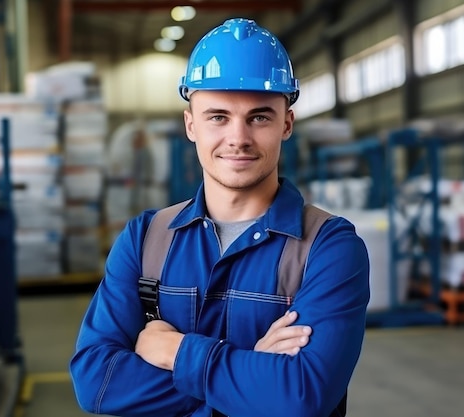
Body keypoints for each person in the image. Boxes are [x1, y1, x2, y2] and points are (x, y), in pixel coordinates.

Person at [70, 17, 370, 417]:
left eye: (259, 117)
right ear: (190, 124)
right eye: (218, 117)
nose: (238, 138)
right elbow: (96, 383)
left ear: (287, 123)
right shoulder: (146, 240)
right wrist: (251, 368)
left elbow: (301, 397)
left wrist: (174, 351)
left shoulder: (329, 249)